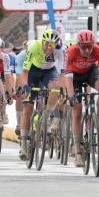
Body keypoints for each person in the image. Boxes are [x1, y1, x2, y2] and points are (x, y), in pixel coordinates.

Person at [65, 30, 99, 167]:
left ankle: (98, 119)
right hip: (74, 77)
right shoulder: (71, 52)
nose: (87, 49)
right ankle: (78, 151)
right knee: (77, 110)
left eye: (89, 46)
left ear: (93, 44)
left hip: (90, 72)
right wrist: (70, 96)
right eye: (83, 46)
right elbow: (67, 79)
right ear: (78, 44)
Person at [18, 29, 64, 160]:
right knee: (27, 109)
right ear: (42, 41)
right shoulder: (34, 46)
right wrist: (26, 87)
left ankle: (47, 114)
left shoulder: (60, 50)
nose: (49, 47)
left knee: (55, 88)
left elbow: (62, 73)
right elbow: (25, 71)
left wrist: (62, 88)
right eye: (47, 44)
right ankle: (23, 144)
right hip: (33, 71)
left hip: (49, 71)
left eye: (52, 45)